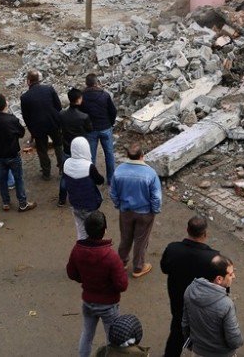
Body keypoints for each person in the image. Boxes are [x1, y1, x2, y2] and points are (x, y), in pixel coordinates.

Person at [67, 211, 129, 357]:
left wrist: (86, 279)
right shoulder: (111, 256)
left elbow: (71, 273)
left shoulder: (77, 250)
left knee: (87, 334)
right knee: (112, 339)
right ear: (105, 229)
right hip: (108, 305)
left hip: (88, 301)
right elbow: (122, 285)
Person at [160, 216, 220, 357]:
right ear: (205, 234)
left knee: (176, 333)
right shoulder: (214, 258)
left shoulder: (173, 249)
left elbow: (164, 268)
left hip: (178, 302)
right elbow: (220, 287)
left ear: (187, 230)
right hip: (201, 308)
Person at [110, 143, 162, 278]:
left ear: (128, 155)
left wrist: (118, 205)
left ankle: (121, 263)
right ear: (142, 156)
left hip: (125, 211)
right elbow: (156, 197)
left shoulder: (119, 171)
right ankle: (138, 267)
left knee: (125, 237)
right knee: (141, 241)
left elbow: (113, 193)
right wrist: (154, 211)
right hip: (145, 213)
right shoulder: (150, 173)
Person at [182, 255, 243, 357]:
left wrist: (192, 345)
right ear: (219, 279)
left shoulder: (189, 290)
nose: (234, 277)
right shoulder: (226, 304)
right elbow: (234, 340)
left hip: (198, 351)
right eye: (231, 274)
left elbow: (185, 323)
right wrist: (239, 342)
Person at [0, 94, 37, 212]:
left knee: (3, 179)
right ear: (5, 104)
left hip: (0, 154)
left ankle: (6, 202)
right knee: (18, 179)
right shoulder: (11, 119)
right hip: (13, 153)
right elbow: (21, 133)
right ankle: (23, 203)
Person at [19, 69, 63, 180]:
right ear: (39, 79)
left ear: (28, 81)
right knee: (58, 145)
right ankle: (63, 169)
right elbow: (58, 106)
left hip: (38, 127)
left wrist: (32, 130)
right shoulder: (49, 89)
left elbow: (26, 117)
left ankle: (46, 172)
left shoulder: (25, 97)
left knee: (42, 150)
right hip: (53, 122)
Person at [79, 73, 118, 184]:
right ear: (97, 82)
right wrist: (110, 123)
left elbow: (80, 113)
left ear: (86, 83)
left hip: (90, 130)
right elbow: (113, 111)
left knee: (91, 156)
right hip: (105, 128)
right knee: (109, 154)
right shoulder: (105, 95)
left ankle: (91, 179)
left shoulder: (82, 97)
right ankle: (111, 179)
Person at [64, 137, 105, 239]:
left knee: (81, 229)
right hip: (89, 205)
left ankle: (81, 248)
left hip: (75, 204)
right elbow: (100, 180)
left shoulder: (66, 163)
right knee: (94, 231)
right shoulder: (88, 166)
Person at [58, 87, 93, 206]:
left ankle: (62, 199)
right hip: (81, 151)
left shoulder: (62, 114)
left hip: (67, 149)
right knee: (84, 174)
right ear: (79, 100)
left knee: (65, 175)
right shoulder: (84, 116)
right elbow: (89, 129)